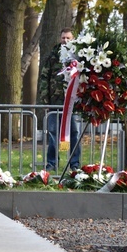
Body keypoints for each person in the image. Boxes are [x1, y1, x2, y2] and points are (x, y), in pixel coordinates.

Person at [39, 27, 81, 172]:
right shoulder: (52, 56)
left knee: (74, 133)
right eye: (63, 37)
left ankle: (74, 164)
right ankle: (52, 164)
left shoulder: (78, 56)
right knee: (53, 133)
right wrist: (45, 101)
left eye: (68, 38)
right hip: (54, 102)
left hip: (72, 103)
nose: (66, 40)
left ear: (73, 39)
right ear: (60, 38)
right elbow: (44, 78)